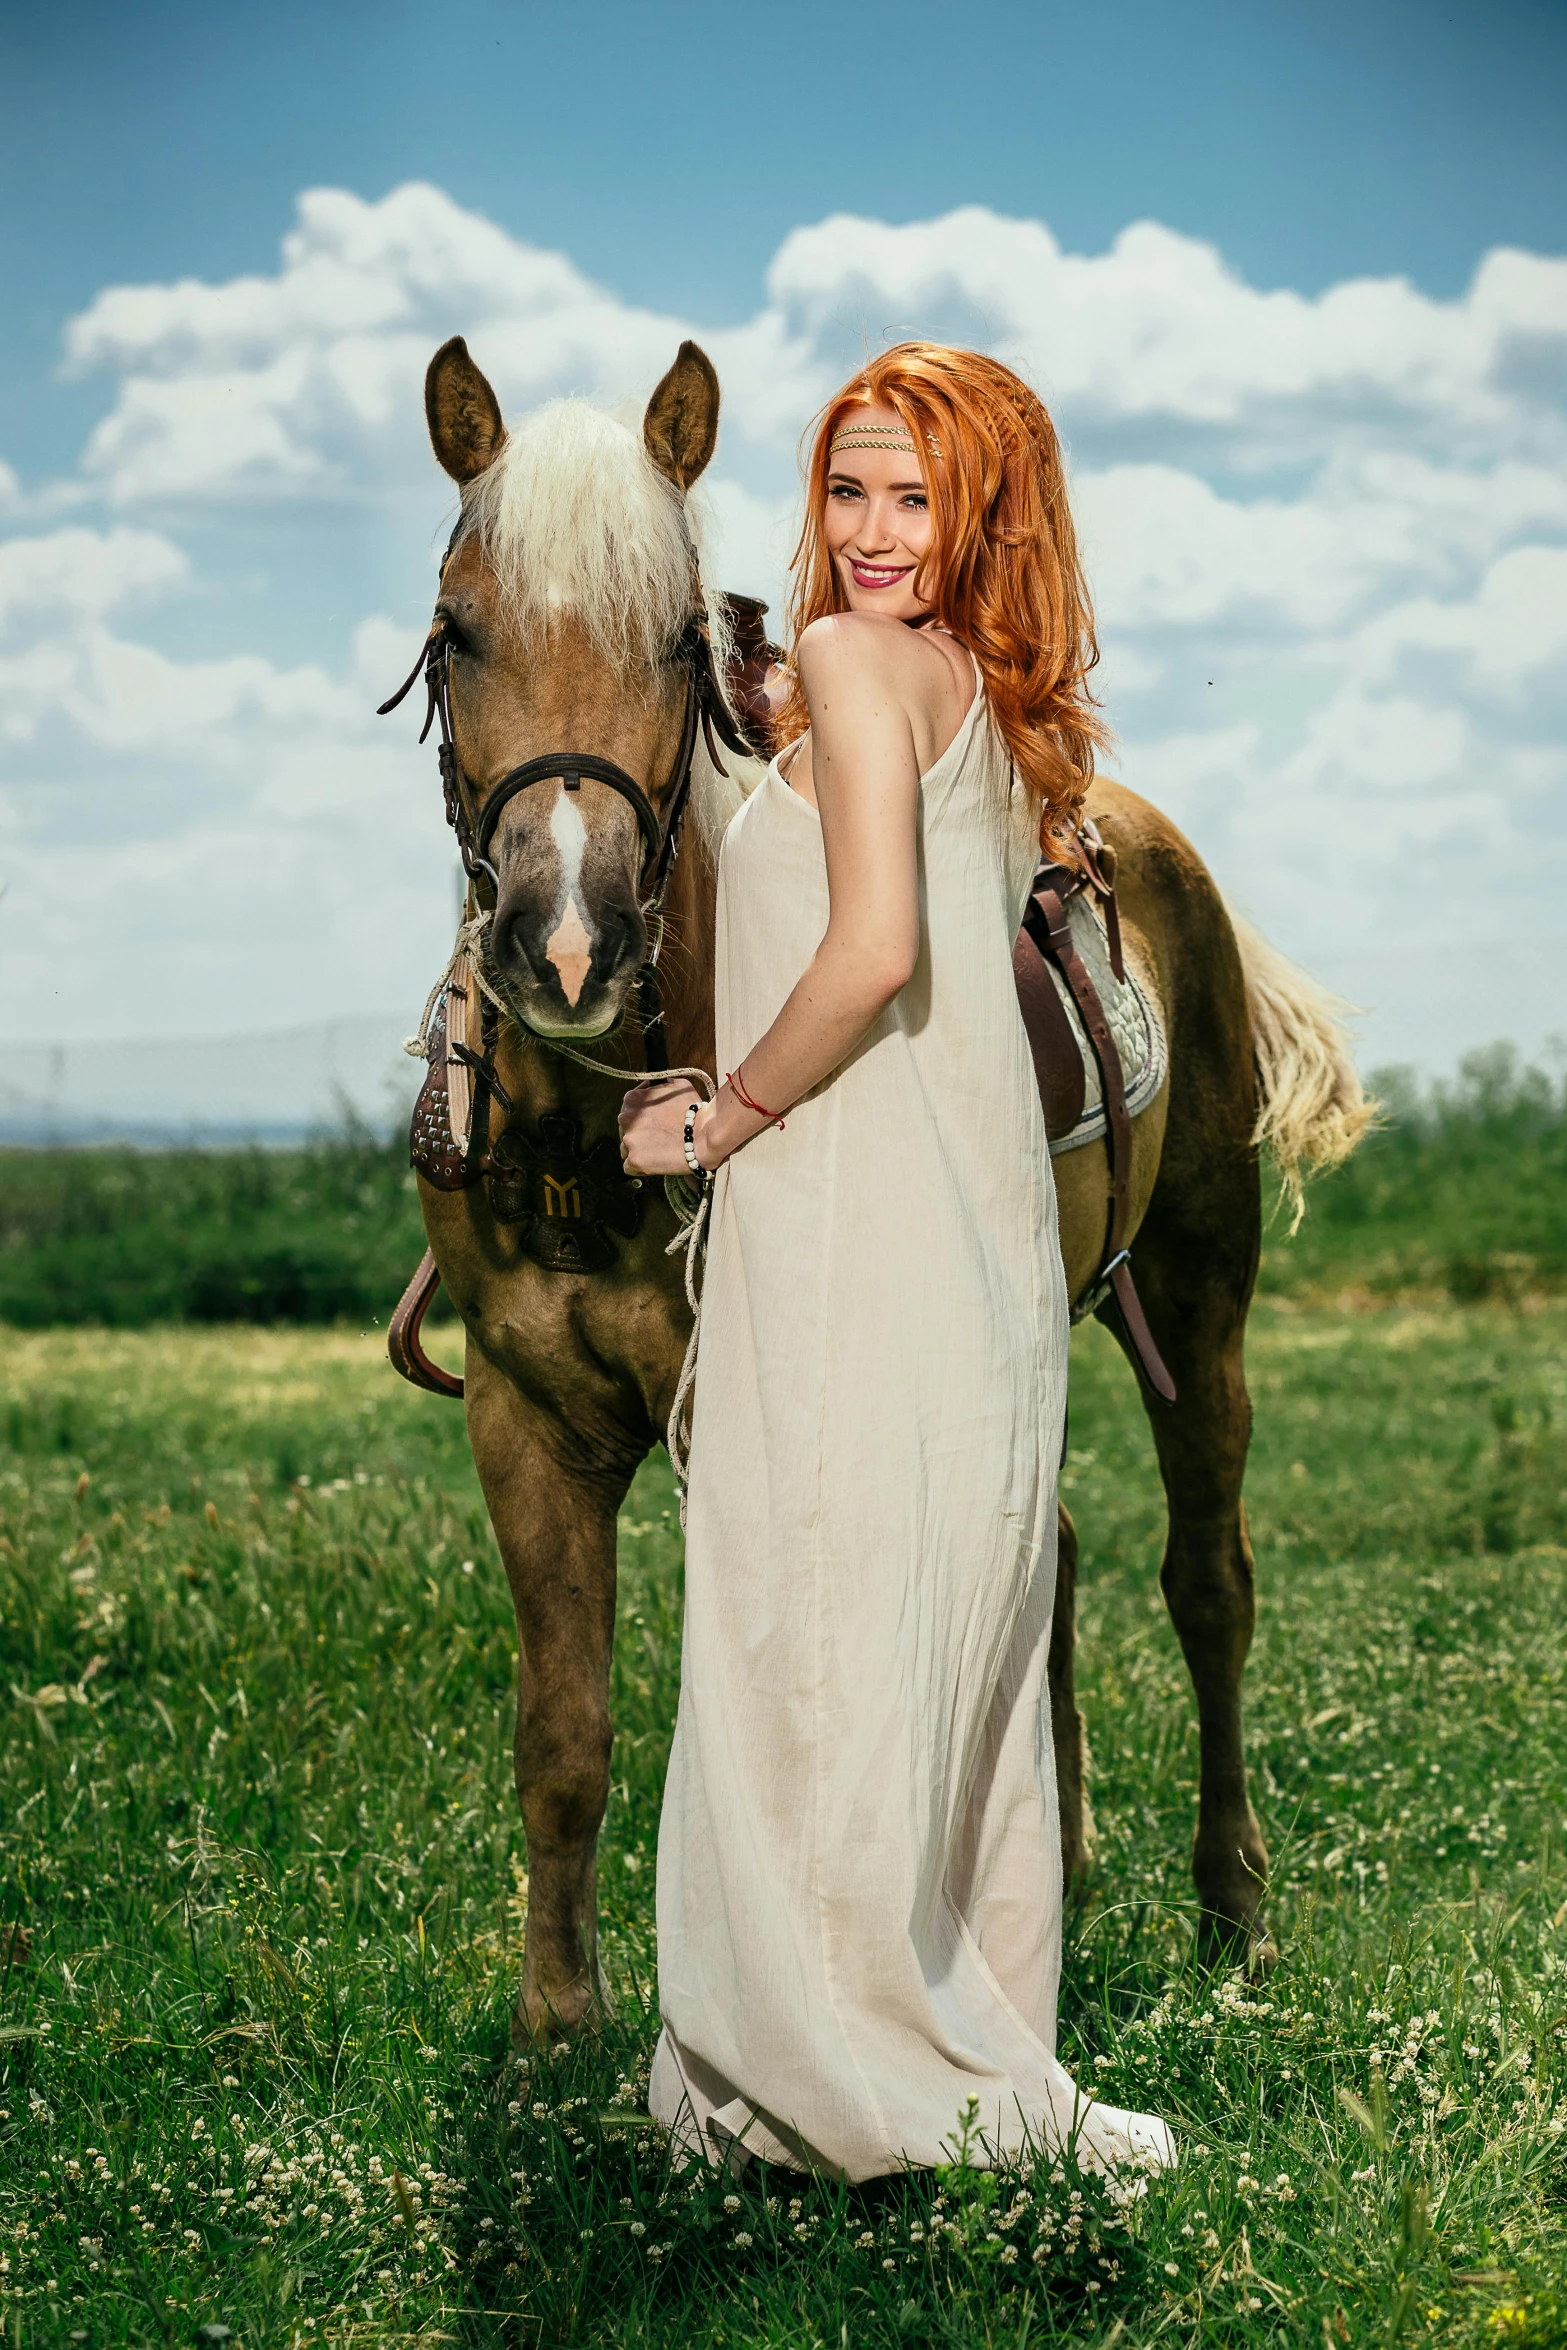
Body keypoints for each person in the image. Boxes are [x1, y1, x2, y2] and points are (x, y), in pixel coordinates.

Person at [618, 342, 1175, 2183]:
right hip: (973, 1234)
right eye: (845, 489)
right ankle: (962, 2011)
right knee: (940, 1639)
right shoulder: (986, 700)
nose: (865, 534)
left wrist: (720, 1119)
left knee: (811, 1622)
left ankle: (821, 2061)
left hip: (852, 1229)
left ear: (979, 510)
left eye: (910, 496)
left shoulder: (858, 669)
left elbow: (864, 954)